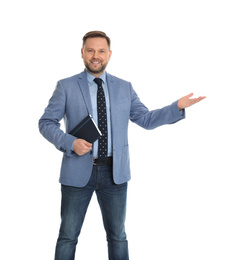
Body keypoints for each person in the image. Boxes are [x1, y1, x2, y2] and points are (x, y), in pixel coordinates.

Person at [39, 31, 205, 260]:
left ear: (109, 55)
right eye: (90, 50)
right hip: (77, 172)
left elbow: (145, 119)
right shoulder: (66, 86)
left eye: (101, 51)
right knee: (67, 236)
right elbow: (46, 123)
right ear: (82, 53)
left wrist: (175, 107)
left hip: (114, 173)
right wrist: (70, 142)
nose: (95, 56)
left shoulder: (124, 87)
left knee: (118, 236)